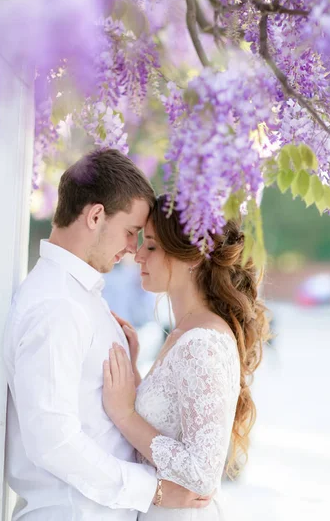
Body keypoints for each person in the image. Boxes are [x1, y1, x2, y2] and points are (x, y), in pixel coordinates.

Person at [3, 149, 210, 521]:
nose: (134, 249)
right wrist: (153, 489)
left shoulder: (80, 297)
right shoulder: (58, 305)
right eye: (132, 233)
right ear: (96, 215)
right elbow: (53, 439)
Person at [102, 194, 270, 520]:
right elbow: (172, 423)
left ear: (192, 255)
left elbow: (202, 473)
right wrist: (136, 375)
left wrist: (124, 415)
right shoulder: (187, 331)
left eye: (150, 246)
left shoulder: (201, 342)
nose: (137, 255)